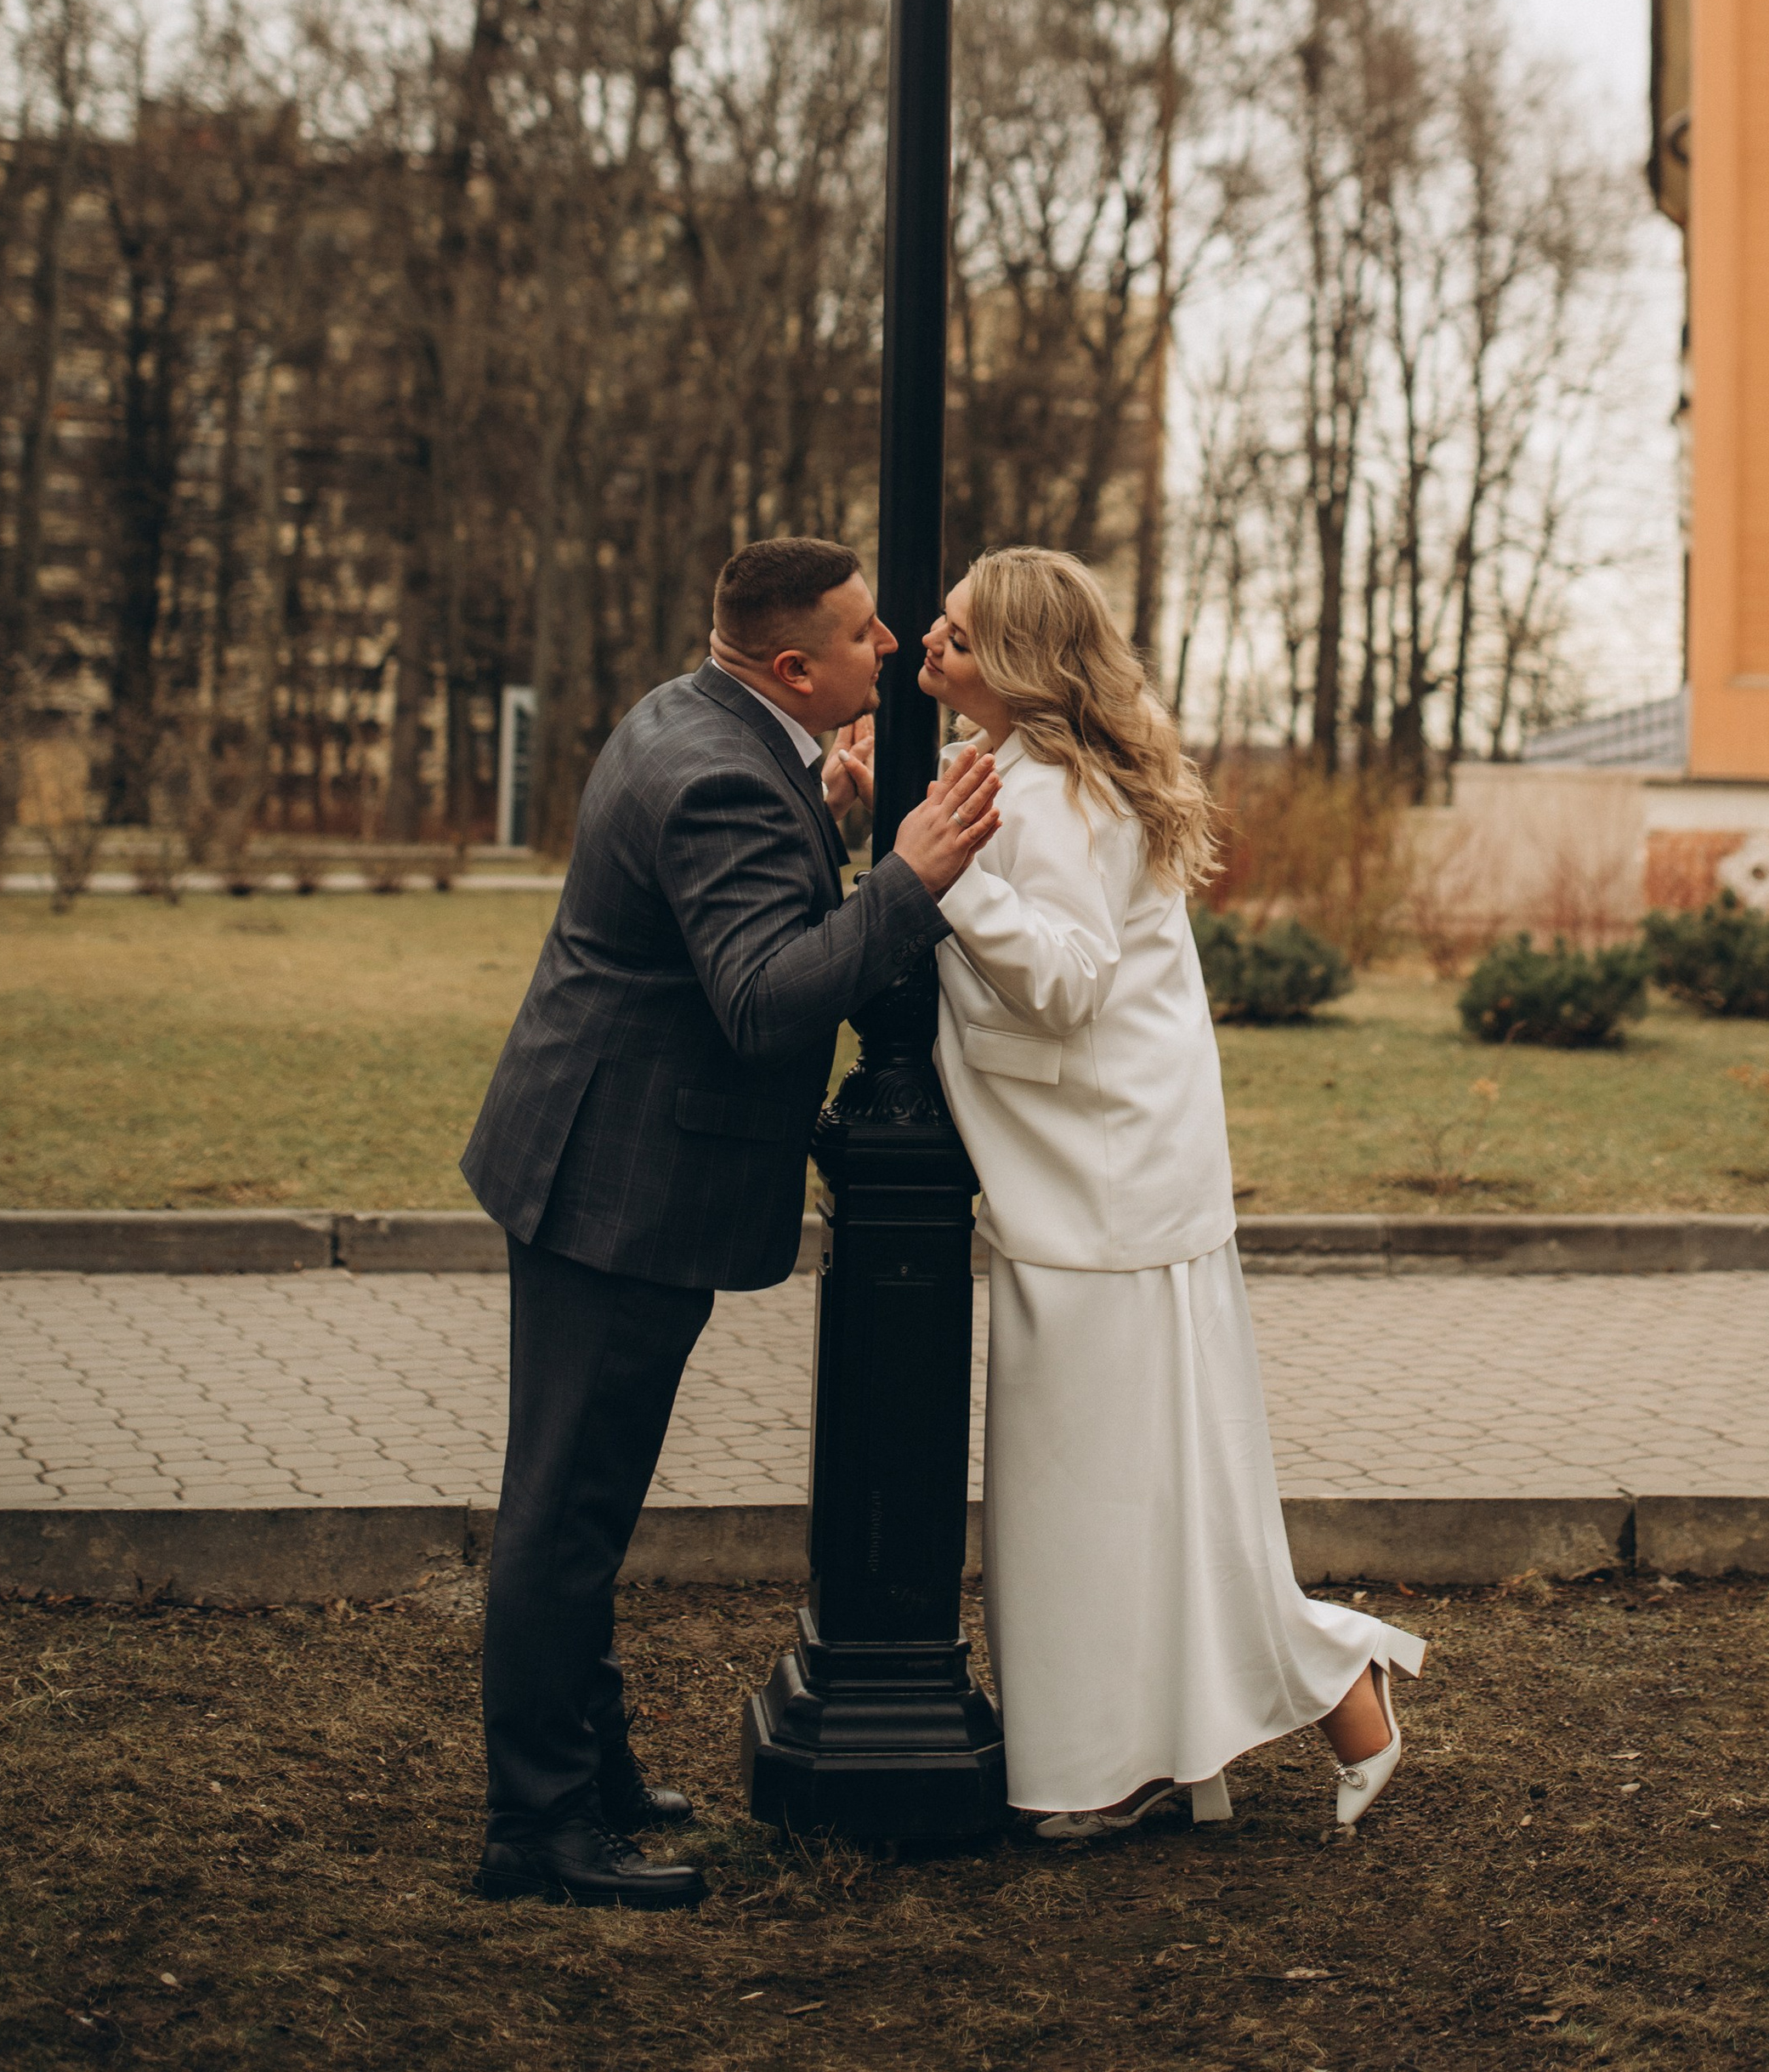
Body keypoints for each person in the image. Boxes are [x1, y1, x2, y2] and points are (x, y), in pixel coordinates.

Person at [460, 535, 1001, 1910]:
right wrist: (908, 880)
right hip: (620, 1187)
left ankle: (592, 1772)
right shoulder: (723, 778)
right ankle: (537, 1829)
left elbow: (732, 904)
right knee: (565, 1515)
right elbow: (761, 1000)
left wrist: (831, 819)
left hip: (593, 1157)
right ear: (794, 668)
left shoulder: (693, 716)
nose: (892, 647)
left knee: (581, 1502)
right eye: (865, 633)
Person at [919, 546, 1426, 1839]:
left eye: (958, 636)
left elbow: (1068, 978)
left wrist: (941, 873)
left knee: (1088, 1501)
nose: (929, 643)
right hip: (1114, 1182)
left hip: (1101, 1196)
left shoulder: (1053, 796)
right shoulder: (1030, 771)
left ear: (1017, 667)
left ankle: (1220, 1727)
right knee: (1140, 1494)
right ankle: (1167, 1756)